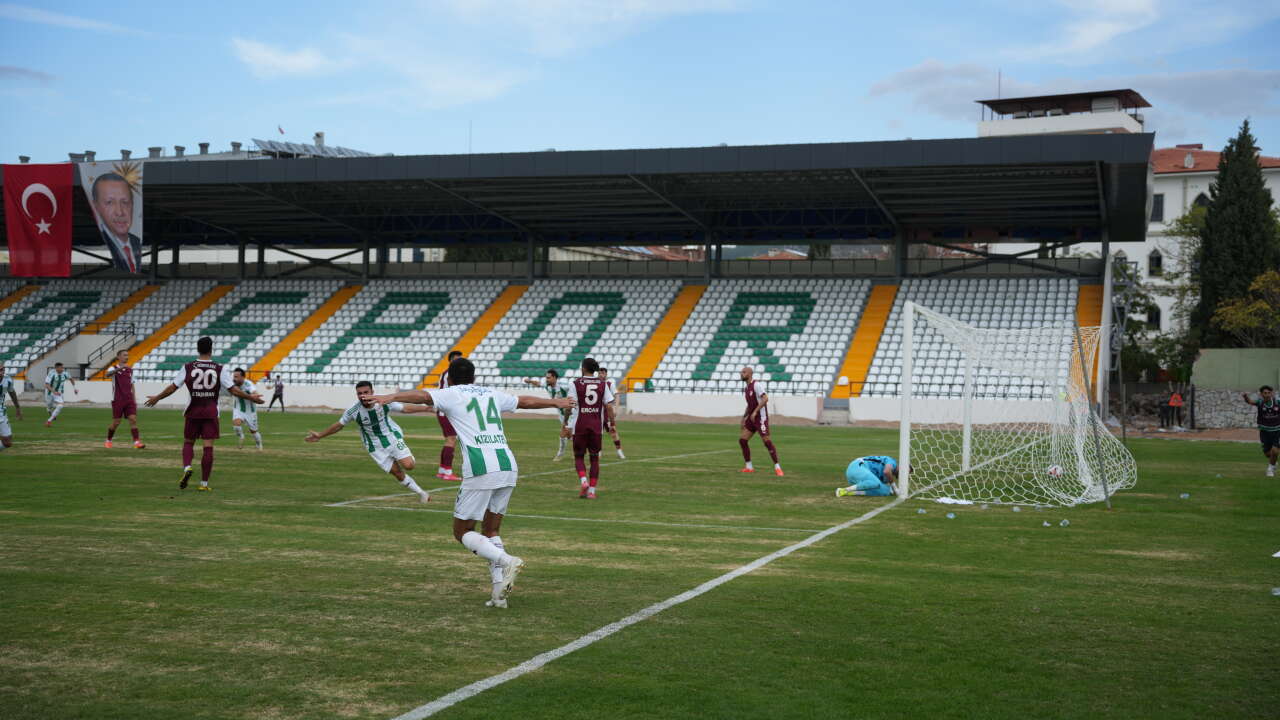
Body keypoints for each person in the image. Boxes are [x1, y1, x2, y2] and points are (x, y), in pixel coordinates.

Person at [372, 358, 575, 609]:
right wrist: (556, 402)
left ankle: (507, 560)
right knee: (491, 530)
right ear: (474, 377)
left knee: (462, 531)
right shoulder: (490, 393)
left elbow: (422, 396)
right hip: (507, 464)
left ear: (450, 379)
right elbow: (523, 401)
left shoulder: (451, 393)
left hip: (481, 467)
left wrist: (391, 396)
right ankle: (498, 594)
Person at [144, 336, 263, 491]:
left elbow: (173, 387)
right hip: (210, 412)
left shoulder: (188, 367)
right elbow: (234, 390)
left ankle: (187, 467)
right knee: (208, 447)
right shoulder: (219, 368)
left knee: (188, 442)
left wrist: (157, 397)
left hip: (193, 410)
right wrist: (252, 398)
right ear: (211, 349)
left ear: (197, 349)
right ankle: (204, 484)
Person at [305, 381, 435, 502]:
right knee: (397, 473)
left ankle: (404, 457)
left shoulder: (383, 401)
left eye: (366, 392)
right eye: (359, 393)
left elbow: (404, 408)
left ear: (372, 392)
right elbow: (339, 425)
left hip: (392, 437)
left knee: (409, 466)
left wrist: (426, 409)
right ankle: (422, 493)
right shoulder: (353, 411)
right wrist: (320, 436)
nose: (363, 396)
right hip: (374, 446)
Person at [569, 357, 614, 499]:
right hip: (596, 426)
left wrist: (565, 423)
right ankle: (592, 491)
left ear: (583, 368)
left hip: (580, 425)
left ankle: (584, 481)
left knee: (578, 456)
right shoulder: (603, 384)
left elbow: (570, 405)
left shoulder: (575, 383)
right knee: (594, 458)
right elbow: (609, 406)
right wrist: (612, 423)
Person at [90, 173, 143, 273]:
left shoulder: (136, 241)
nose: (119, 212)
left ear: (132, 204)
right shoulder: (98, 242)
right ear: (96, 206)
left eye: (125, 202)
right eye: (109, 202)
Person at [738, 366, 783, 476]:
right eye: (741, 372)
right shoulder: (747, 388)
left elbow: (765, 398)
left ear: (750, 374)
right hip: (751, 418)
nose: (741, 374)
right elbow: (749, 405)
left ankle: (777, 467)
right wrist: (744, 418)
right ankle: (749, 467)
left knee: (766, 441)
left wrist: (755, 412)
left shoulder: (756, 385)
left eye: (744, 372)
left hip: (760, 418)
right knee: (742, 440)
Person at [523, 368, 572, 460]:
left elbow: (576, 388)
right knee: (570, 436)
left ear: (555, 378)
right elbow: (538, 383)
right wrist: (529, 381)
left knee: (563, 433)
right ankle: (591, 447)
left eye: (548, 378)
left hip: (571, 414)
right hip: (561, 415)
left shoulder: (564, 386)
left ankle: (560, 454)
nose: (546, 379)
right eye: (546, 378)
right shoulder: (547, 386)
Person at [104, 349, 144, 448]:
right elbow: (107, 375)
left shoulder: (130, 370)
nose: (127, 357)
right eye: (124, 355)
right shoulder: (113, 368)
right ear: (119, 357)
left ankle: (136, 442)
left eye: (127, 355)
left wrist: (134, 400)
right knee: (116, 422)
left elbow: (132, 385)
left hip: (129, 399)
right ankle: (108, 440)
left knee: (133, 419)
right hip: (118, 399)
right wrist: (119, 369)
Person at [436, 350, 463, 481]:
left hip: (445, 410)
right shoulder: (451, 374)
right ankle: (447, 472)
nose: (459, 361)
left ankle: (442, 470)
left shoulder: (447, 373)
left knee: (450, 439)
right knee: (451, 439)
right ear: (451, 360)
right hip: (446, 410)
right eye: (456, 359)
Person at [1242, 386, 1279, 477]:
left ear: (1271, 393)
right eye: (1265, 393)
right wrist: (1245, 397)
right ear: (1261, 394)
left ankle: (1270, 469)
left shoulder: (1277, 402)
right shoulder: (1260, 402)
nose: (1267, 395)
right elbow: (1250, 402)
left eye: (1269, 393)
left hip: (1277, 430)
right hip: (1264, 431)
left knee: (1275, 451)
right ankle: (1273, 462)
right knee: (1268, 454)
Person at [229, 368, 263, 450]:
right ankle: (241, 436)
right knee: (236, 424)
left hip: (250, 411)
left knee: (253, 431)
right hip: (238, 409)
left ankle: (258, 444)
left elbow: (254, 392)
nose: (234, 379)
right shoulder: (232, 384)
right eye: (234, 376)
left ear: (243, 377)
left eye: (236, 377)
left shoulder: (248, 384)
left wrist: (256, 396)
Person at [596, 366, 626, 460]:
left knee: (613, 432)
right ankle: (598, 452)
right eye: (599, 373)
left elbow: (617, 396)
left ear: (606, 374)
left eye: (603, 373)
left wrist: (616, 409)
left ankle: (619, 451)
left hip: (607, 412)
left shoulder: (610, 384)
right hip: (596, 413)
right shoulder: (594, 384)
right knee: (597, 434)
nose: (601, 375)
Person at [835, 455, 899, 497]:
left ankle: (849, 492)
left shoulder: (888, 477)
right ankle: (846, 490)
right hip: (857, 467)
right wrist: (895, 488)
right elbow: (886, 471)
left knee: (885, 491)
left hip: (858, 478)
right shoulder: (892, 461)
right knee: (875, 483)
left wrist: (891, 490)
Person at [44, 362, 77, 427]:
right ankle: (49, 410)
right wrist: (54, 391)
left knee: (60, 406)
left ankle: (49, 421)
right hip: (49, 392)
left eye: (62, 367)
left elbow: (71, 379)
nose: (62, 369)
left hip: (59, 393)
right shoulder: (51, 373)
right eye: (61, 368)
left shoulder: (65, 373)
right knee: (49, 405)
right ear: (56, 368)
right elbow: (46, 385)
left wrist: (75, 388)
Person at [0, 362, 22, 453]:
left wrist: (17, 407)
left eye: (2, 369)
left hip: (2, 413)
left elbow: (12, 393)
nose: (1, 372)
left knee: (7, 442)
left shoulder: (8, 379)